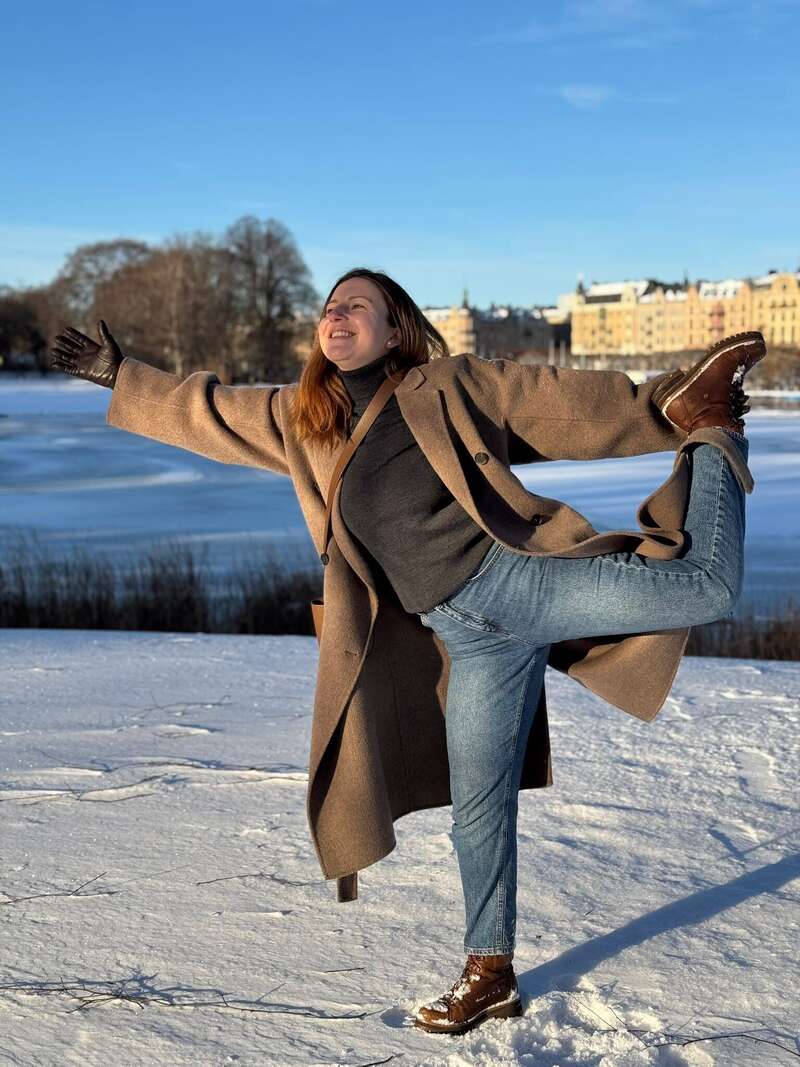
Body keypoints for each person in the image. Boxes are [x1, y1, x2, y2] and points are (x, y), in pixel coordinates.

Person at [50, 269, 764, 1037]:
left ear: (395, 330)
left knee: (707, 585)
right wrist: (121, 375)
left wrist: (667, 402)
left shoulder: (448, 386)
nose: (337, 315)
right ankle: (490, 971)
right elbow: (211, 412)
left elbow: (559, 404)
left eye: (357, 305)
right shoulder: (305, 418)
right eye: (330, 307)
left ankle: (713, 428)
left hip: (522, 584)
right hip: (466, 634)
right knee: (479, 804)